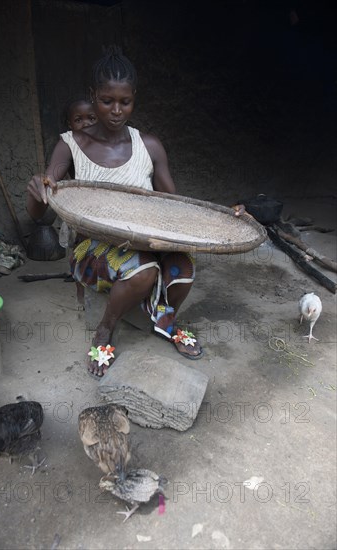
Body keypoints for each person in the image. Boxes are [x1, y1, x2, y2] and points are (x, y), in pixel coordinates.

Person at [27, 46, 243, 379]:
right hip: (91, 249)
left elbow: (176, 207)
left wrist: (224, 218)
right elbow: (40, 211)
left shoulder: (149, 146)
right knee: (143, 271)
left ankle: (165, 319)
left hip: (145, 240)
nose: (116, 111)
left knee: (184, 266)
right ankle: (105, 330)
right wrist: (38, 191)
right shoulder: (70, 144)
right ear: (92, 96)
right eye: (106, 101)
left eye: (124, 102)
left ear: (134, 98)